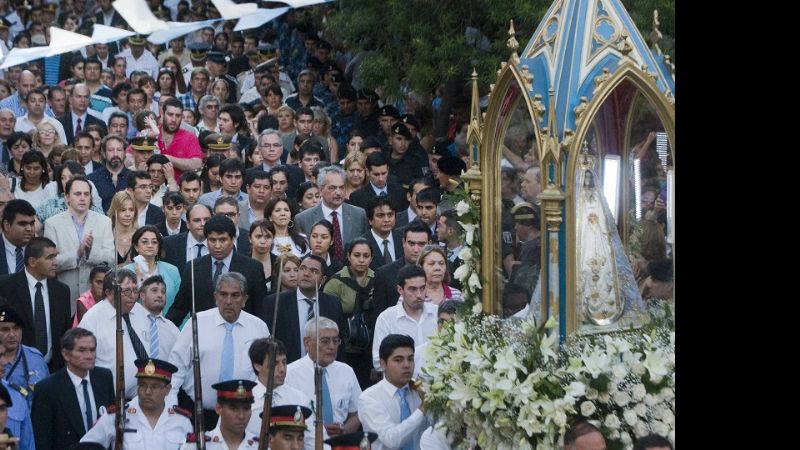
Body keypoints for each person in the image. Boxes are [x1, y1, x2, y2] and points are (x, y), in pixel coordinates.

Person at [168, 272, 269, 430]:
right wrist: (171, 404)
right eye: (223, 294)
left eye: (235, 295)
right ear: (216, 297)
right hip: (198, 413)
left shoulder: (259, 328)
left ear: (244, 300)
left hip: (244, 414)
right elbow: (176, 367)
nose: (228, 301)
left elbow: (266, 372)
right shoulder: (196, 322)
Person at [575, 156, 642, 326]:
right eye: (585, 177)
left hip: (601, 243)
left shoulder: (599, 198)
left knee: (605, 273)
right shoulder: (577, 200)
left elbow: (606, 224)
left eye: (589, 177)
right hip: (583, 244)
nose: (587, 181)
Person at [165, 215, 267, 325]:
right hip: (204, 331)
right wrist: (162, 327)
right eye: (212, 240)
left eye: (223, 240)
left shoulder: (252, 268)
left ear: (233, 239)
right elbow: (179, 308)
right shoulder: (193, 268)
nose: (217, 246)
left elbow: (261, 310)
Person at [31, 328, 115, 450]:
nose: (89, 356)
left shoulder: (104, 377)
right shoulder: (47, 389)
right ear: (66, 354)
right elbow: (42, 438)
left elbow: (112, 420)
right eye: (82, 350)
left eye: (92, 350)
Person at [80, 358, 192, 449]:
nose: (147, 392)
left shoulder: (181, 421)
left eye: (155, 387)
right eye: (142, 385)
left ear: (167, 389)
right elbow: (86, 446)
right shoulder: (117, 415)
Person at [255, 255, 346, 364]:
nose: (306, 274)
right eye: (302, 268)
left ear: (323, 279)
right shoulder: (275, 302)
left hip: (324, 367)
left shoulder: (333, 304)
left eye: (314, 271)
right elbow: (265, 343)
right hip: (287, 369)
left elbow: (339, 343)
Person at [0, 237, 72, 370]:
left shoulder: (62, 291)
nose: (55, 263)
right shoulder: (5, 287)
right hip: (16, 367)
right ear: (32, 262)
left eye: (55, 257)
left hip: (54, 368)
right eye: (50, 258)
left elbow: (65, 331)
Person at [78, 269, 150, 399]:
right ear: (109, 293)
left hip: (143, 398)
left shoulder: (141, 312)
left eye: (135, 290)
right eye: (126, 291)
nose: (133, 296)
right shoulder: (92, 320)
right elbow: (81, 362)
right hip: (108, 398)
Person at [285, 318, 362, 437]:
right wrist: (319, 430)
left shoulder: (346, 371)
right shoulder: (289, 374)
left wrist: (343, 431)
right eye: (325, 341)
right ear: (307, 343)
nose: (332, 346)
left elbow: (358, 413)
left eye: (335, 341)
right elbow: (284, 419)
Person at [359, 334, 429, 450]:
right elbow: (392, 440)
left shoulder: (420, 391)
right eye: (398, 360)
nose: (407, 365)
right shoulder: (369, 398)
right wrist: (423, 407)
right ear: (383, 364)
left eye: (410, 359)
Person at [246, 338, 319, 450]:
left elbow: (314, 440)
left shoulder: (299, 399)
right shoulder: (245, 401)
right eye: (275, 364)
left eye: (284, 362)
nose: (282, 369)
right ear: (257, 366)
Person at [323, 238, 374, 387]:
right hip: (344, 347)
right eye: (357, 255)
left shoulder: (379, 278)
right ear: (348, 256)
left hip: (370, 347)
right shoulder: (336, 282)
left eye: (366, 256)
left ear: (372, 258)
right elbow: (327, 318)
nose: (361, 260)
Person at [295, 166, 369, 268]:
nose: (338, 192)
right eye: (332, 188)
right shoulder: (302, 219)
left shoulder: (359, 214)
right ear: (320, 190)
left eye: (341, 187)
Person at [371, 265, 437, 370]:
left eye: (422, 288)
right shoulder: (386, 319)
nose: (419, 295)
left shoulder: (437, 314)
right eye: (412, 289)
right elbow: (378, 361)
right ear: (400, 290)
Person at [124, 225, 181, 313]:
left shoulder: (172, 270)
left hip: (167, 319)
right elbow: (123, 302)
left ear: (158, 247)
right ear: (136, 246)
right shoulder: (126, 271)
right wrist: (139, 281)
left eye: (154, 242)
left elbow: (180, 303)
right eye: (145, 242)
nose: (150, 245)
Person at [0, 199, 35, 276]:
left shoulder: (40, 248)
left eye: (32, 224)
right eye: (23, 224)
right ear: (7, 225)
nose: (29, 229)